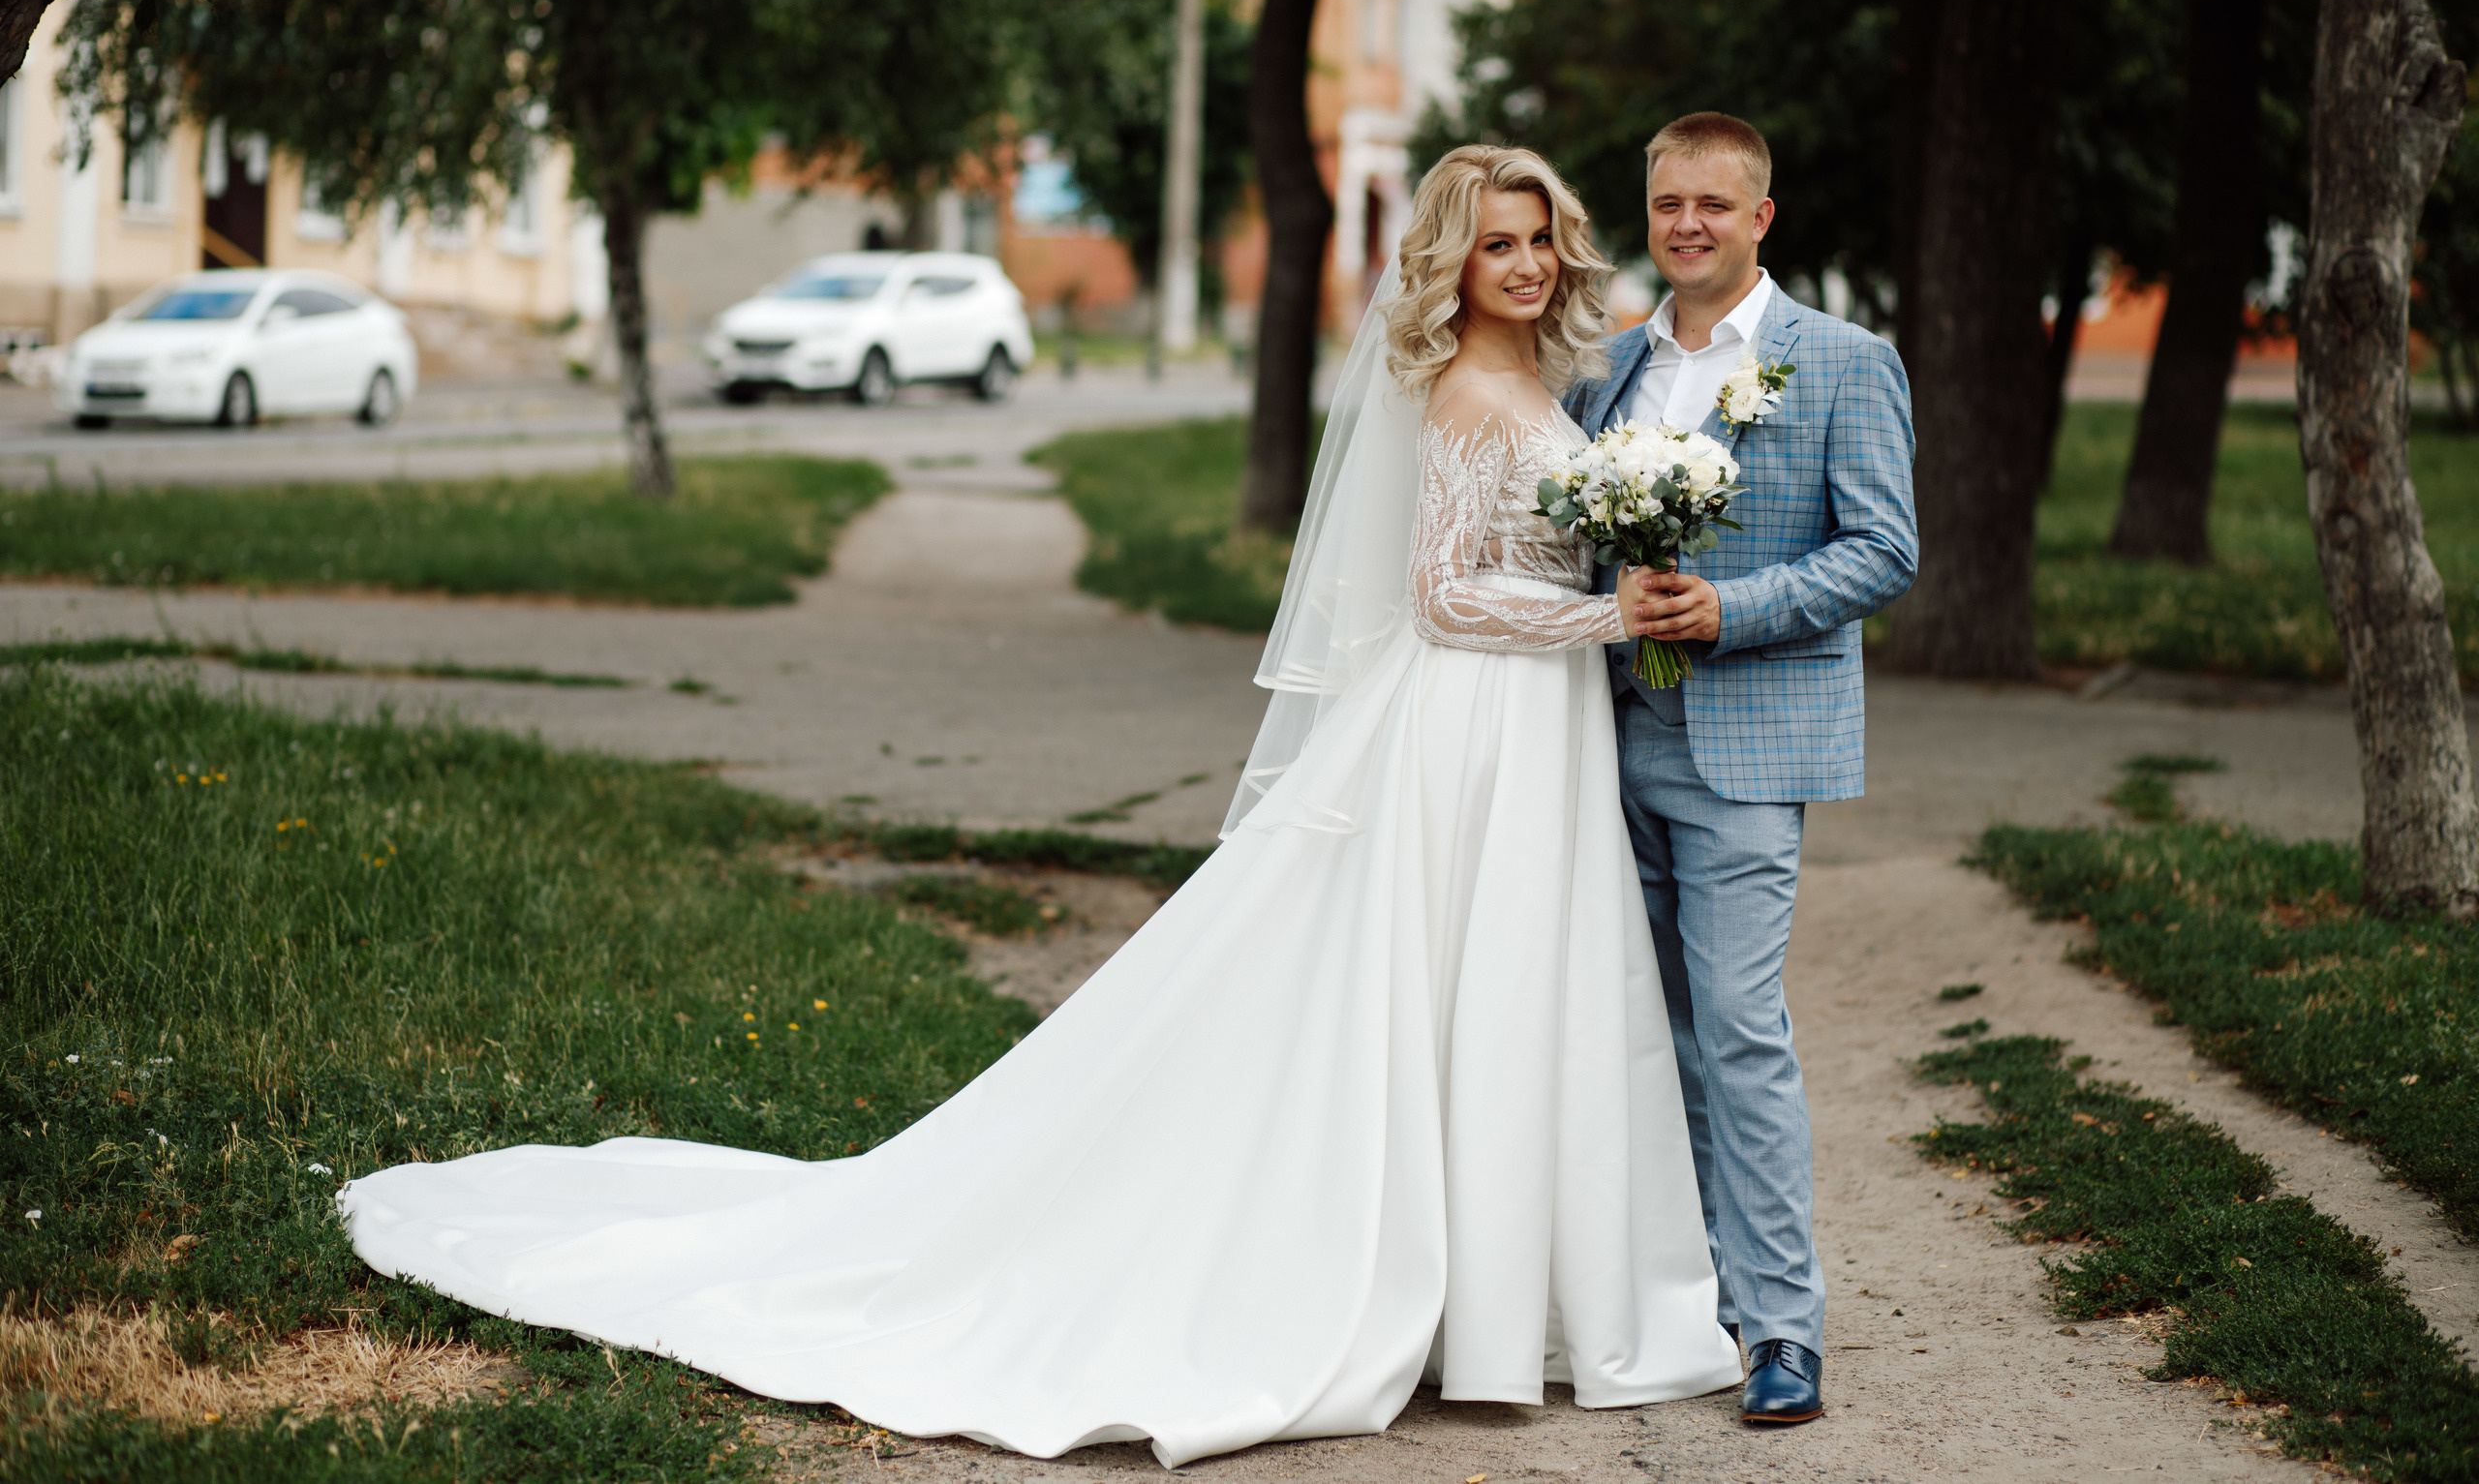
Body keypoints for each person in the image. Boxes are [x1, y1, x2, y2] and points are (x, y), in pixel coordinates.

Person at [338, 145, 1743, 1469]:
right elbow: (1442, 598)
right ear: (1450, 259)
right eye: (1495, 241)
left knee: (1496, 1000)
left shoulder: (1555, 386)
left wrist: (1615, 594)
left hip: (1529, 724)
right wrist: (1605, 616)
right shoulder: (1459, 398)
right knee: (1450, 989)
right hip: (1468, 730)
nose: (1525, 261)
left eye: (1540, 238)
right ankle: (1440, 1305)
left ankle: (1481, 1309)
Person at [1564, 112, 1918, 1424]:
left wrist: (1735, 609)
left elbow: (1884, 550)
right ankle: (1667, 1305)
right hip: (1595, 740)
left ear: (1762, 217)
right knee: (1639, 1040)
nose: (1688, 226)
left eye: (1715, 205)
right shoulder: (1603, 370)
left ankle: (1780, 1328)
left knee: (1738, 1032)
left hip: (1747, 745)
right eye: (1668, 205)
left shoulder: (1841, 363)